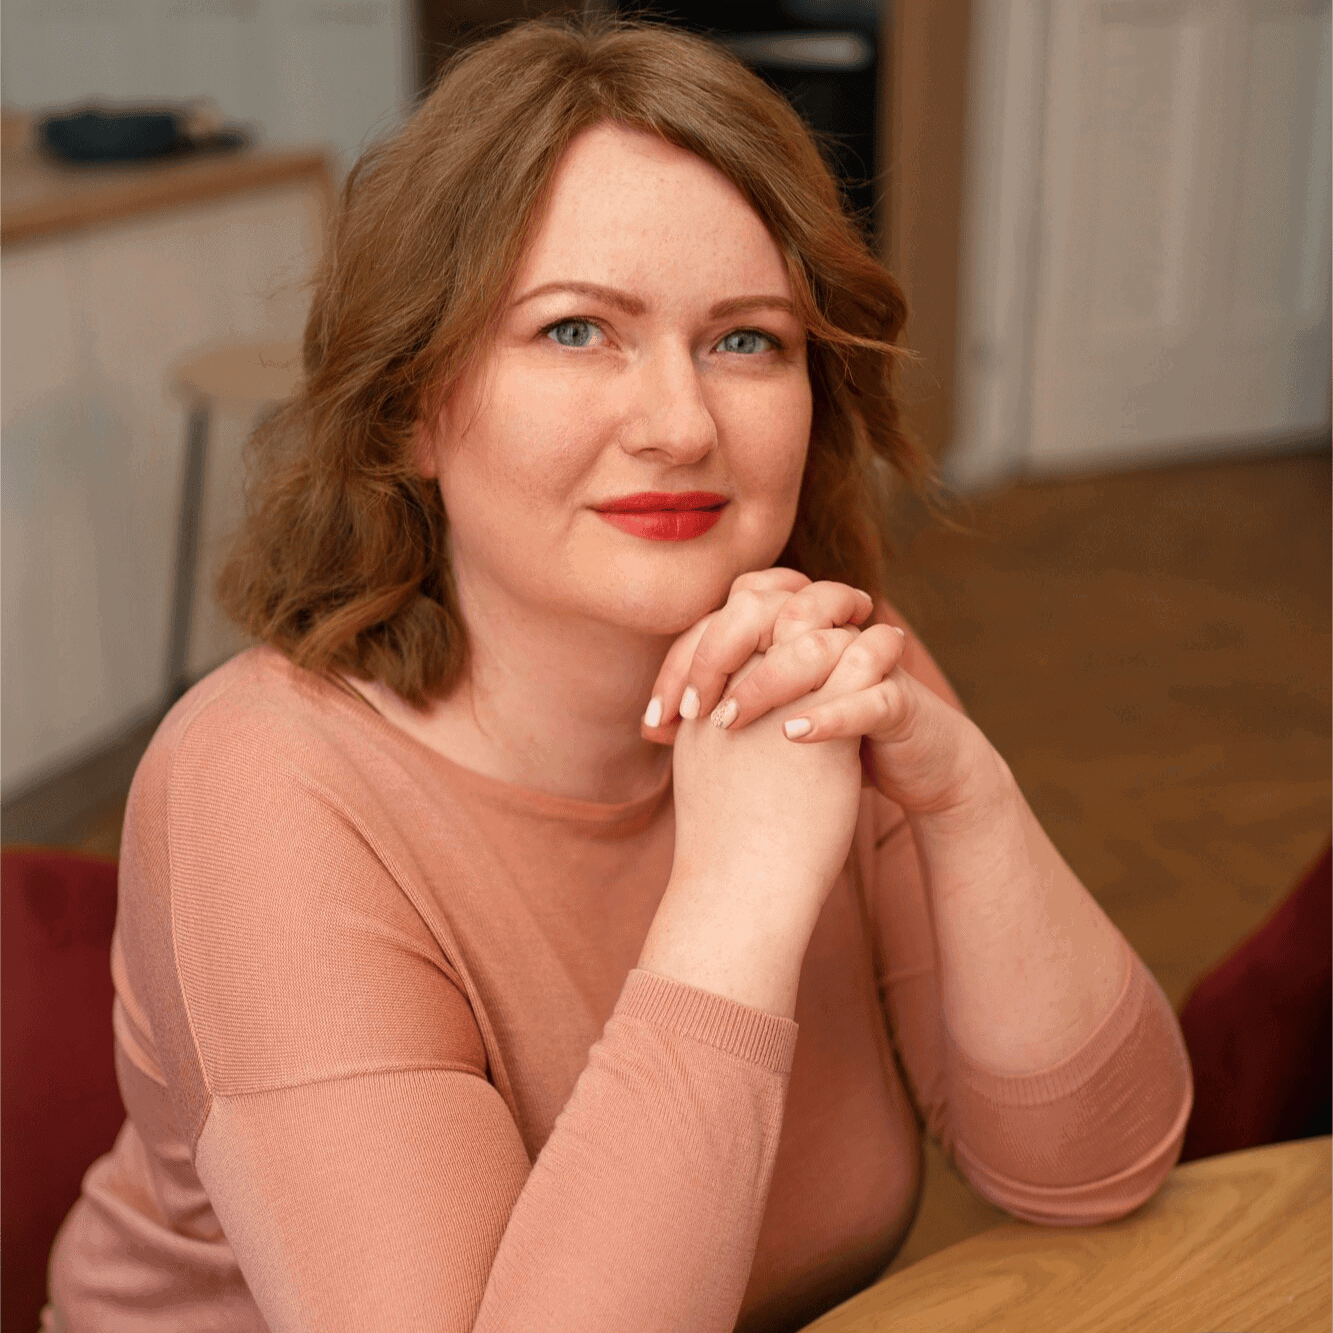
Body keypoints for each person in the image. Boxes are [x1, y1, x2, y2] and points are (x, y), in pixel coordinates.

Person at [45, 17, 1192, 1332]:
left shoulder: (821, 672)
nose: (681, 425)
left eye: (746, 341)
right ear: (411, 408)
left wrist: (970, 804)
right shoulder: (261, 786)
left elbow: (1094, 1169)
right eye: (577, 330)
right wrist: (739, 899)